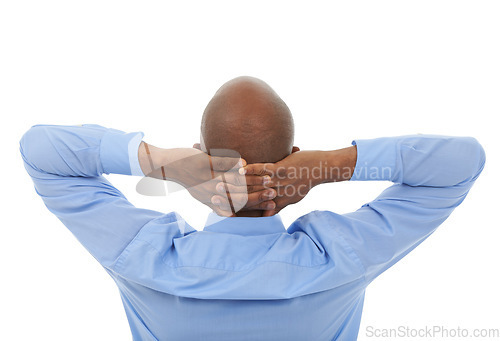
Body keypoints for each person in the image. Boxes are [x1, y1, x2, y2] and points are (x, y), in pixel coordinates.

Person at [20, 76, 485, 341]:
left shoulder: (143, 256)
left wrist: (166, 166)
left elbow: (41, 151)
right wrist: (334, 165)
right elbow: (461, 163)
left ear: (202, 151)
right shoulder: (341, 257)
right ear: (295, 155)